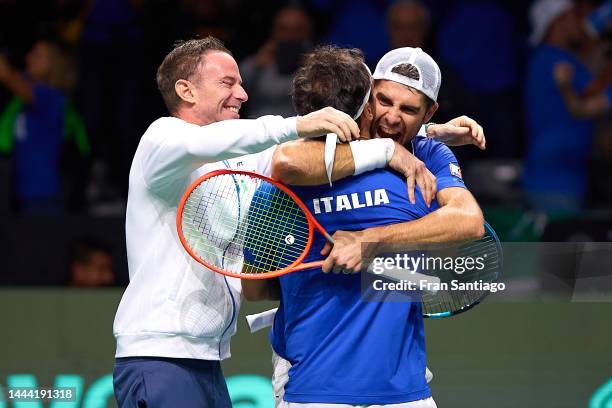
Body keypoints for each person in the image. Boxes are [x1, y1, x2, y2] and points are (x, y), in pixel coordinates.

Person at [111, 36, 363, 408]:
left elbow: (307, 157)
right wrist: (297, 123)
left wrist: (416, 140)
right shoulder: (160, 140)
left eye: (241, 83)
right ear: (187, 90)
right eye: (228, 83)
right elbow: (225, 141)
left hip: (206, 360)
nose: (242, 94)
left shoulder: (237, 162)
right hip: (158, 355)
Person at [244, 46, 484, 407]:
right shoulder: (314, 158)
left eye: (409, 110)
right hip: (312, 387)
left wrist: (371, 241)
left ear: (428, 113)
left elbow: (468, 220)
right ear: (367, 94)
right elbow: (286, 162)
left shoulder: (429, 156)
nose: (391, 117)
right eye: (383, 100)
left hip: (405, 389)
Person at [524, 0, 612, 212]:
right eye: (575, 14)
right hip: (557, 183)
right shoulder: (558, 62)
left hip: (550, 177)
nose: (582, 21)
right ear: (558, 20)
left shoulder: (544, 59)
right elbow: (587, 100)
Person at [0, 39, 88, 214]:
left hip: (45, 196)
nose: (29, 57)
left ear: (53, 65)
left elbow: (7, 76)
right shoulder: (23, 101)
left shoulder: (52, 99)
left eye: (38, 55)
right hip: (20, 193)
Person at [240, 5, 313, 118]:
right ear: (273, 31)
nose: (290, 36)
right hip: (259, 129)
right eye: (283, 29)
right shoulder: (258, 62)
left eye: (297, 30)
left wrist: (313, 67)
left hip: (300, 130)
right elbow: (235, 90)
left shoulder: (315, 65)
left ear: (307, 32)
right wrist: (255, 66)